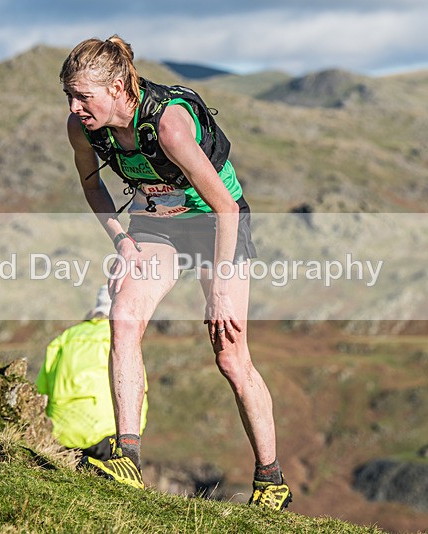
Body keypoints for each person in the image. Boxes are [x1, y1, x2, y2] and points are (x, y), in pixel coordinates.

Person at [60, 35, 292, 511]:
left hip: (214, 223)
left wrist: (221, 291)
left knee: (231, 357)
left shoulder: (168, 125)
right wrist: (121, 242)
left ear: (119, 87)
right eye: (69, 95)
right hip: (154, 224)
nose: (74, 106)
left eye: (84, 96)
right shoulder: (81, 128)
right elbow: (91, 185)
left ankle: (271, 481)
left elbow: (226, 208)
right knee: (122, 319)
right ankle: (126, 459)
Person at [36, 285, 149, 460]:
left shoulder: (65, 338)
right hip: (109, 433)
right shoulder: (124, 340)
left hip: (64, 434)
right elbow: (137, 390)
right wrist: (133, 437)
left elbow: (41, 389)